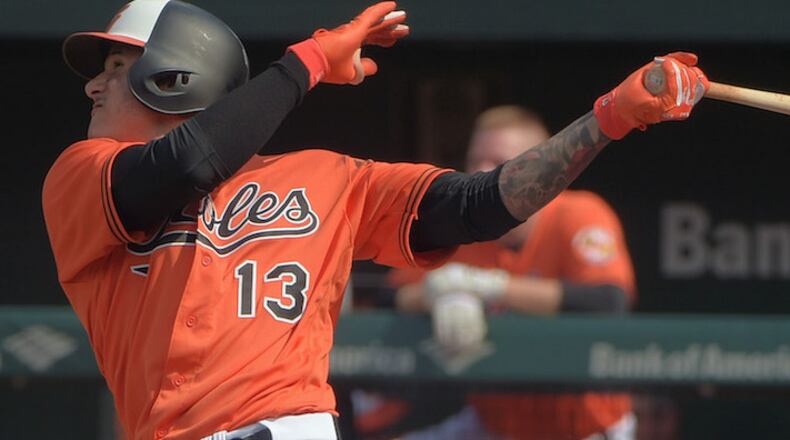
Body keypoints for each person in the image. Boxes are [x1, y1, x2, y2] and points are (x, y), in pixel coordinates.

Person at [41, 0, 708, 437]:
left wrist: (610, 119)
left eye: (117, 67)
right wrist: (305, 65)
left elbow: (480, 204)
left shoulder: (329, 178)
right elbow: (188, 165)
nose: (93, 86)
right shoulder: (83, 174)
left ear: (174, 76)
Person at [389, 105, 637, 440]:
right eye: (475, 160)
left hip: (582, 426)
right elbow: (388, 294)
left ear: (542, 168)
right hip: (494, 424)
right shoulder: (464, 228)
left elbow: (606, 301)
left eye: (497, 161)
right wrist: (438, 292)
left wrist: (491, 287)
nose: (481, 172)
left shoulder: (577, 213)